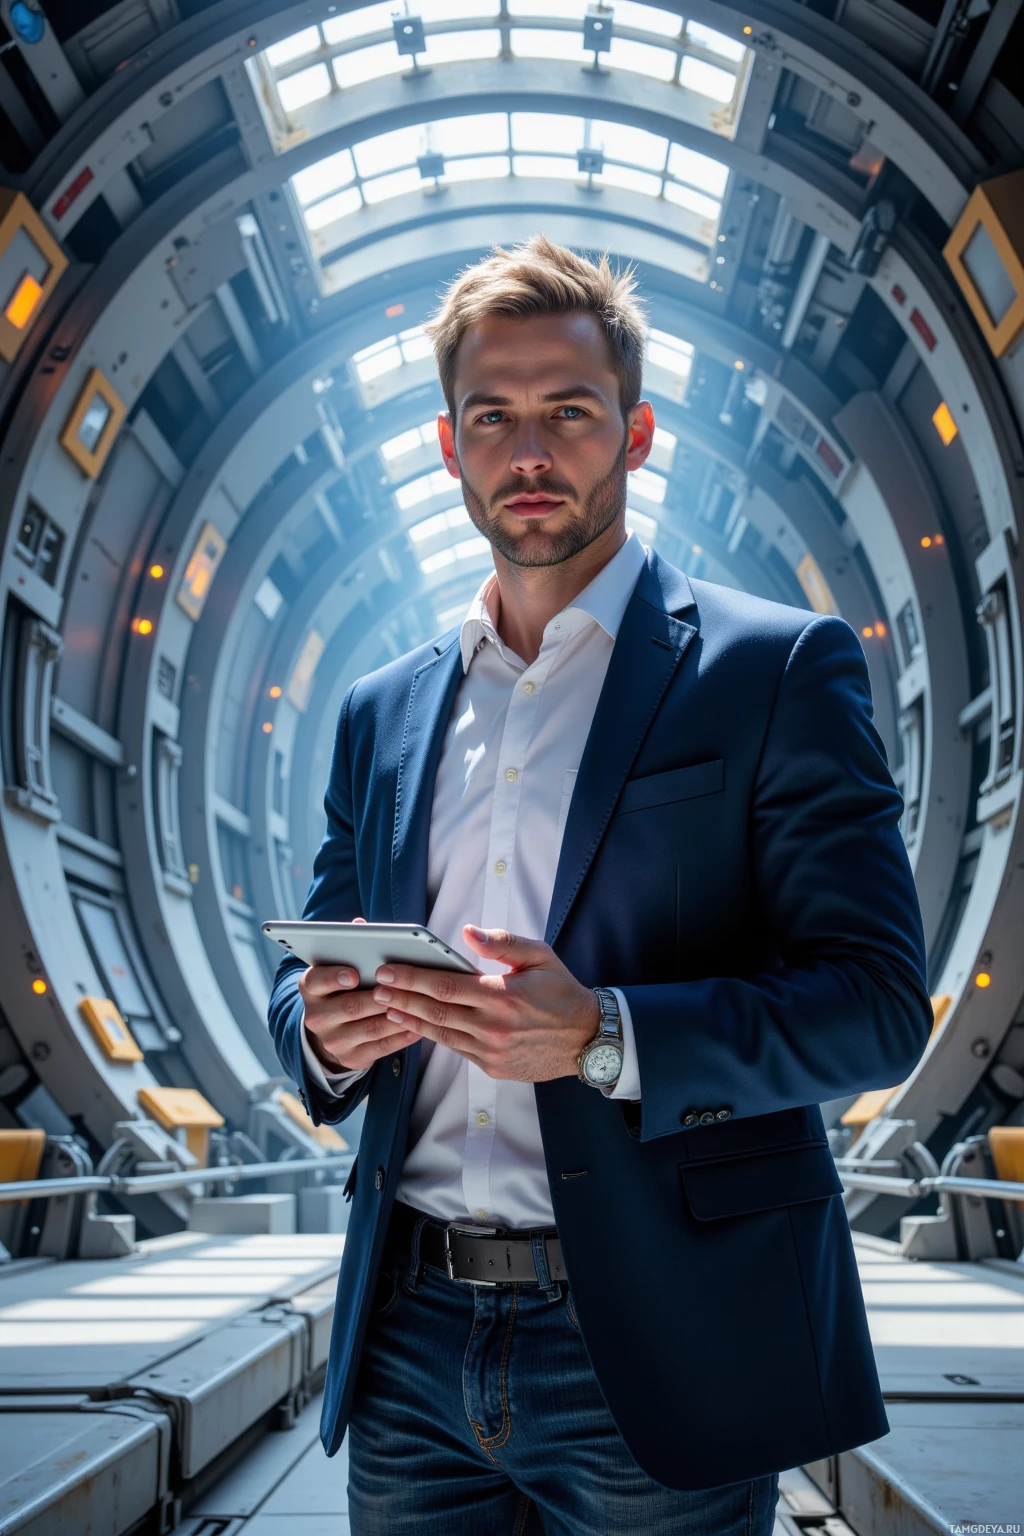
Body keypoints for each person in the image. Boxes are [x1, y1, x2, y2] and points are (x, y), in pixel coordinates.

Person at [268, 234, 932, 1535]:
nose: (529, 453)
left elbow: (875, 1005)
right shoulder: (380, 712)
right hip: (408, 1340)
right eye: (493, 417)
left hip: (657, 1329)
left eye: (567, 414)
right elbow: (315, 959)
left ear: (634, 435)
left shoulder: (774, 671)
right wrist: (322, 1031)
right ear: (448, 444)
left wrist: (605, 1037)